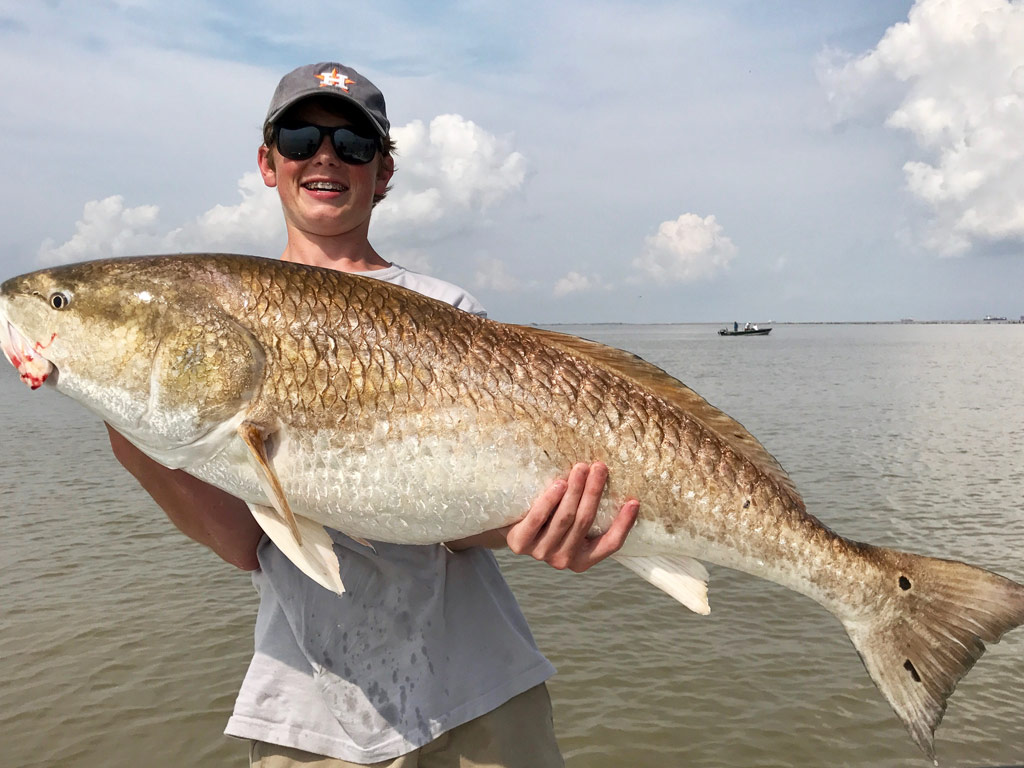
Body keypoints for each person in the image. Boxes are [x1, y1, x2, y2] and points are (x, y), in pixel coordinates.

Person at [105, 61, 639, 768]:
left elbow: (461, 522)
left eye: (353, 145)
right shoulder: (214, 321)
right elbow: (244, 546)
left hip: (482, 694)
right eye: (300, 137)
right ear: (268, 163)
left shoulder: (448, 312)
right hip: (308, 713)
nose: (324, 156)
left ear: (383, 173)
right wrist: (124, 414)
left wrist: (547, 527)